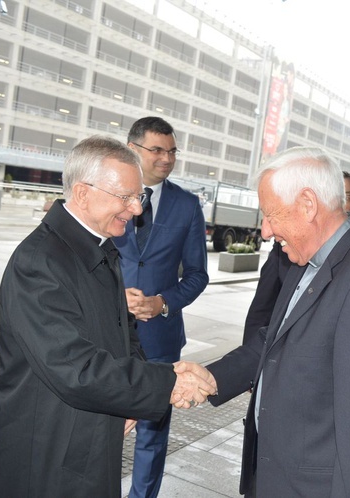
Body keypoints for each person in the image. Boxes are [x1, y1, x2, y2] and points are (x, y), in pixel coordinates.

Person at [0, 136, 216, 498]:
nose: (136, 209)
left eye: (137, 197)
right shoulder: (40, 262)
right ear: (82, 193)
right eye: (125, 197)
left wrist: (131, 397)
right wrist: (165, 382)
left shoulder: (98, 246)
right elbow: (73, 368)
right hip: (48, 452)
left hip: (87, 435)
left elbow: (126, 332)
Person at [201, 147, 350, 496]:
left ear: (308, 205)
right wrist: (213, 377)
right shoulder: (308, 259)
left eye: (271, 215)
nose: (265, 231)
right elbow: (278, 338)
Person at [113, 116, 209, 498]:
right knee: (102, 426)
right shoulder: (111, 194)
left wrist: (163, 302)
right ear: (133, 149)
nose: (167, 158)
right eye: (157, 150)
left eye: (172, 151)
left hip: (160, 341)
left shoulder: (186, 206)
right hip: (108, 334)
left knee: (151, 434)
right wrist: (115, 297)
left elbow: (198, 274)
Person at [242, 170, 350, 344]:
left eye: (346, 197)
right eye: (334, 196)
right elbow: (261, 309)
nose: (339, 203)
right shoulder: (286, 249)